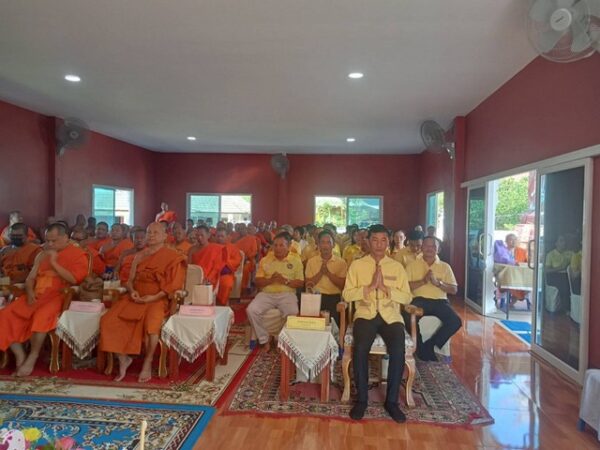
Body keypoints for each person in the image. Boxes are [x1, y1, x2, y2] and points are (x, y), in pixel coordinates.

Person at [99, 222, 186, 382]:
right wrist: (132, 291)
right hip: (135, 297)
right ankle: (123, 358)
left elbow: (173, 285)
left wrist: (153, 297)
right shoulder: (139, 255)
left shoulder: (173, 256)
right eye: (149, 232)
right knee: (107, 320)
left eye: (155, 232)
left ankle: (148, 361)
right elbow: (129, 281)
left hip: (157, 299)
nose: (151, 235)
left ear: (165, 236)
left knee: (151, 327)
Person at [342, 224, 412, 423]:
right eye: (375, 240)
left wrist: (386, 289)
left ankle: (392, 402)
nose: (379, 244)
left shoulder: (397, 267)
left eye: (383, 240)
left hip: (391, 316)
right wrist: (370, 287)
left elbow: (407, 297)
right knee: (360, 348)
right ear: (368, 241)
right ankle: (362, 400)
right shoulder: (357, 265)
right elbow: (347, 294)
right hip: (366, 314)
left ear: (388, 242)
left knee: (398, 349)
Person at [0, 223, 88, 376]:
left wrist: (53, 263)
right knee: (5, 315)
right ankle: (20, 355)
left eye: (54, 241)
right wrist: (29, 291)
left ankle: (32, 356)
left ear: (65, 237)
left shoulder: (78, 254)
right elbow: (30, 278)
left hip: (58, 296)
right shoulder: (42, 254)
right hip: (36, 295)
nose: (50, 244)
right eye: (47, 240)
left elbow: (74, 279)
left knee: (41, 316)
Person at [406, 236, 460, 362]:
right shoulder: (412, 265)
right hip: (419, 300)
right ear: (421, 248)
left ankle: (428, 346)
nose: (429, 249)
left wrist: (438, 283)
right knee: (407, 316)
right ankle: (419, 347)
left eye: (433, 246)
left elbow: (454, 289)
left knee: (455, 321)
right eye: (426, 246)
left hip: (440, 301)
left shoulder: (445, 267)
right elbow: (405, 286)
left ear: (438, 249)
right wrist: (423, 281)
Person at [247, 232, 304, 351]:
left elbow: (300, 283)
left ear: (288, 246)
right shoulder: (265, 260)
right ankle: (264, 338)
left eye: (281, 245)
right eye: (275, 245)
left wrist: (285, 281)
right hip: (267, 294)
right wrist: (270, 280)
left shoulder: (296, 261)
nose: (277, 248)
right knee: (251, 310)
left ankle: (281, 338)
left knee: (293, 312)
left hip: (287, 294)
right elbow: (257, 281)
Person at [305, 230, 347, 325]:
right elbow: (308, 284)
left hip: (334, 297)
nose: (325, 246)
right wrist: (321, 273)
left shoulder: (341, 263)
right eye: (322, 242)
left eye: (328, 242)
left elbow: (342, 285)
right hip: (315, 297)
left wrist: (328, 273)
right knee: (313, 325)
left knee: (333, 325)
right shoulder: (311, 261)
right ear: (318, 245)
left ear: (333, 245)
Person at [215, 229, 243, 305]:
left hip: (225, 274)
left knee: (227, 284)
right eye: (218, 236)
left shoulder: (232, 247)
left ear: (227, 237)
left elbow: (237, 260)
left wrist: (225, 262)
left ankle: (221, 304)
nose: (220, 238)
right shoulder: (211, 246)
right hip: (212, 274)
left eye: (222, 236)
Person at [235, 224, 259, 292]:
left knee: (245, 269)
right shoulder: (235, 239)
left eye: (243, 229)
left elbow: (254, 251)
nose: (241, 230)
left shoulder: (251, 238)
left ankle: (243, 287)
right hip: (236, 260)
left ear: (246, 230)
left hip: (248, 260)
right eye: (240, 229)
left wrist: (246, 257)